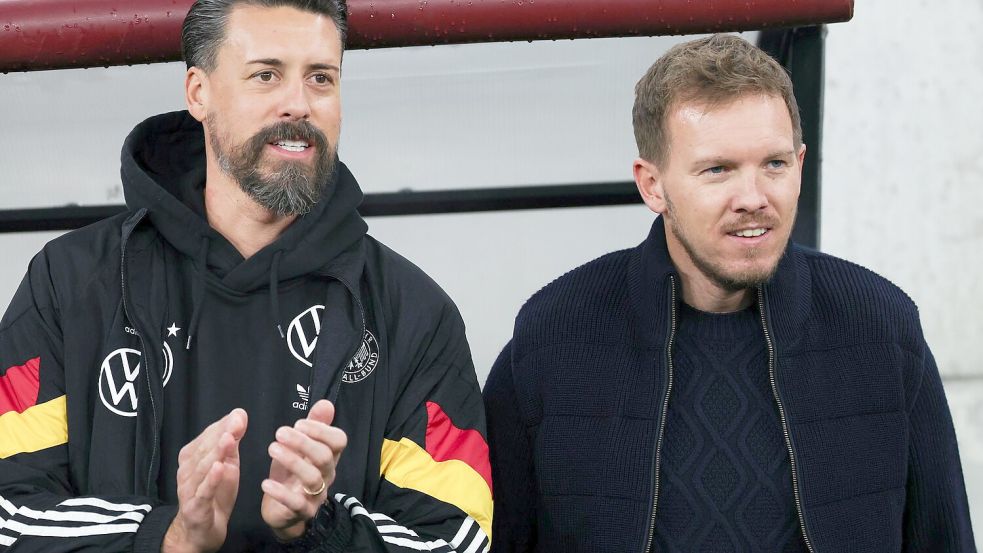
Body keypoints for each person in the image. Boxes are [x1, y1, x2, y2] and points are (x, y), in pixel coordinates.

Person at [0, 1, 492, 551]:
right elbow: (8, 511)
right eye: (266, 74)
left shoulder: (412, 311)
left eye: (321, 78)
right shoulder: (71, 282)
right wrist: (171, 537)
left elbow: (457, 539)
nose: (298, 105)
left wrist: (321, 528)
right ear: (198, 93)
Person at [483, 34, 975, 552]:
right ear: (652, 185)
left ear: (801, 164)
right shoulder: (554, 337)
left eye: (775, 164)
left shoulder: (878, 326)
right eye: (717, 169)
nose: (754, 198)